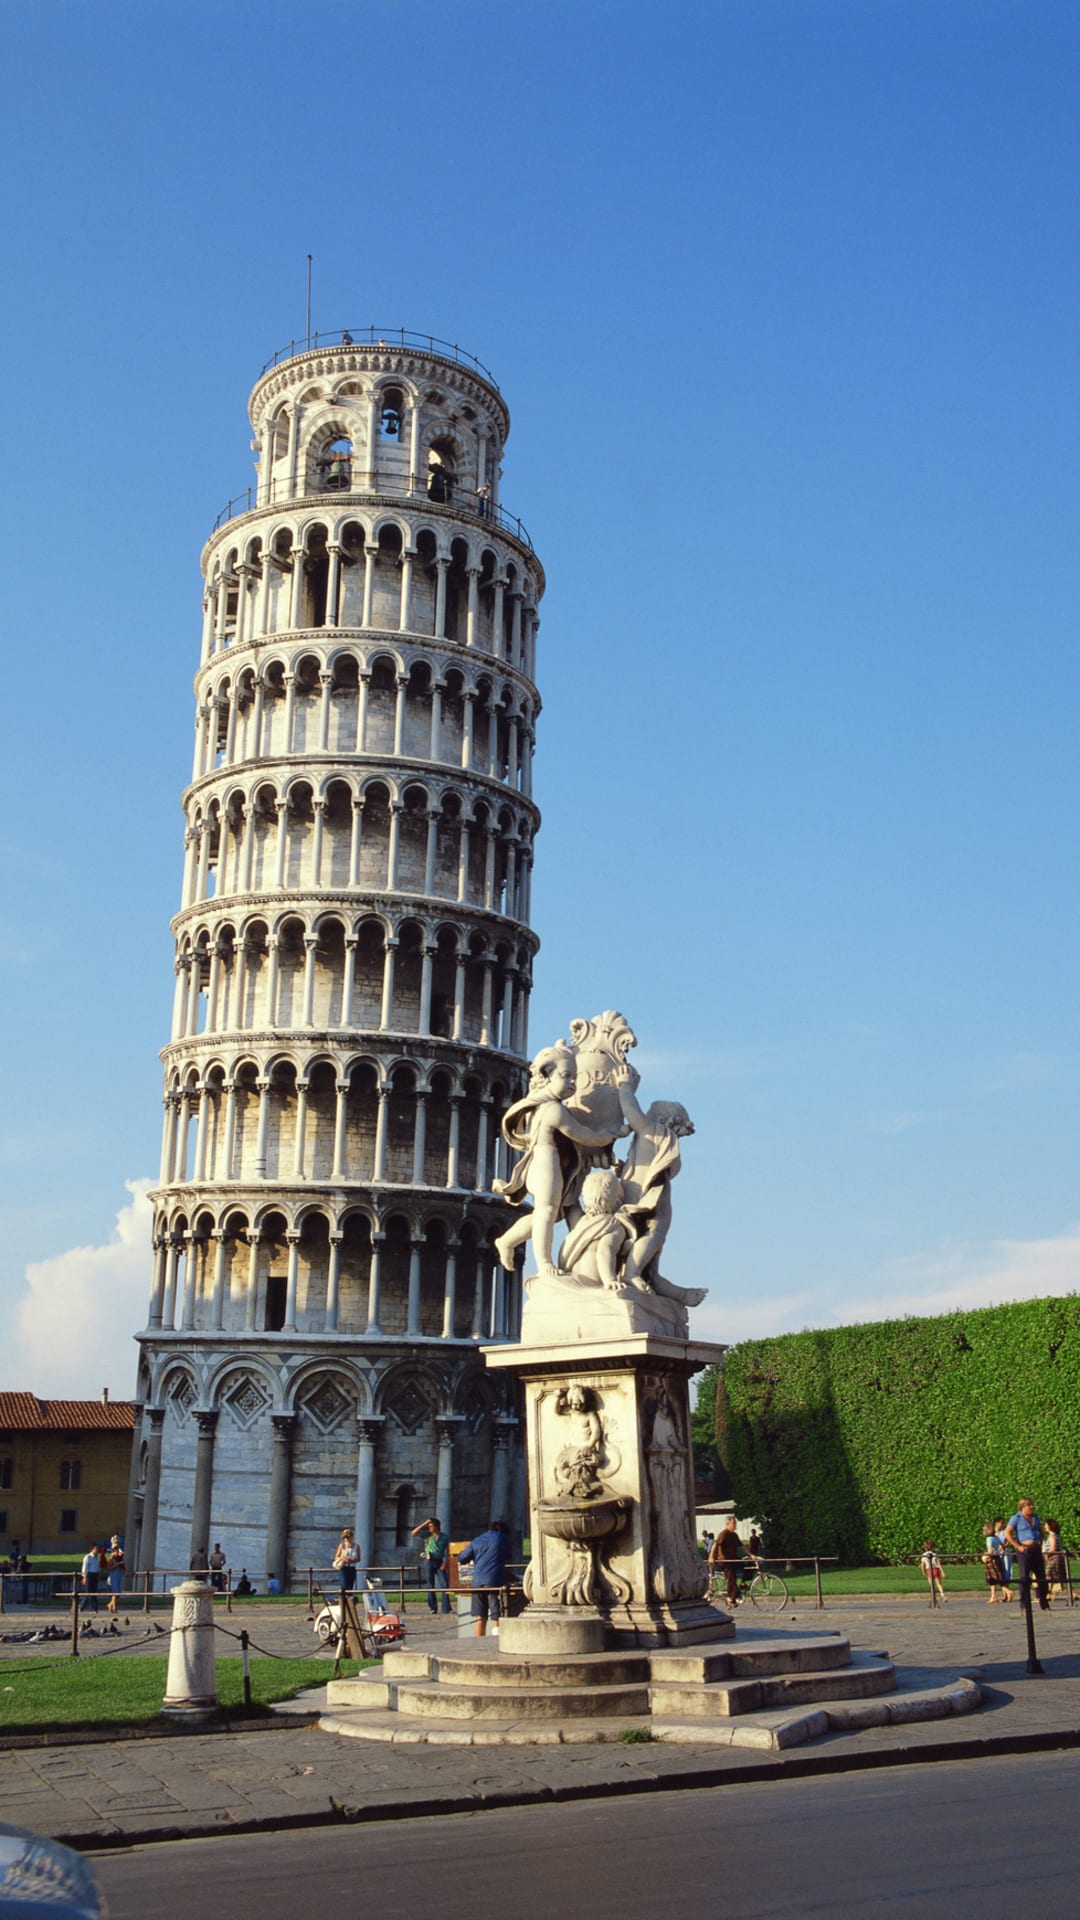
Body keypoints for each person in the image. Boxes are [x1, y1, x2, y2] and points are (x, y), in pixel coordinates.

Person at [494, 1044, 618, 1275]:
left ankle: (508, 1240)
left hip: (548, 1164)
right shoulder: (554, 1110)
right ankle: (544, 1263)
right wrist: (608, 1135)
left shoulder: (539, 1104)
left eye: (575, 1076)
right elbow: (582, 1135)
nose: (572, 1082)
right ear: (546, 1074)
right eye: (565, 1075)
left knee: (556, 1209)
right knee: (547, 1212)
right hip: (545, 1164)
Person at [457, 1520, 511, 1637]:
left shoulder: (477, 1540)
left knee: (480, 1616)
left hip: (477, 1582)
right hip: (495, 1581)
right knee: (497, 1614)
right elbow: (509, 1555)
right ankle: (497, 1640)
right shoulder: (503, 1538)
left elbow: (462, 1558)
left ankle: (478, 1642)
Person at [1005, 1499, 1050, 1611]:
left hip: (1035, 1549)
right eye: (1028, 1505)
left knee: (1041, 1577)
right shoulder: (1016, 1518)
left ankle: (1044, 1603)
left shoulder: (1035, 1517)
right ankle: (1024, 1604)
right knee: (1025, 1577)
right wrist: (1017, 1545)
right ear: (1022, 1507)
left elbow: (1040, 1530)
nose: (1031, 1507)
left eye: (1032, 1505)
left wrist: (1040, 1541)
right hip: (1024, 1550)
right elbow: (1007, 1532)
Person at [411, 1515, 452, 1614]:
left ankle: (446, 1608)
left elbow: (448, 1551)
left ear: (436, 1526)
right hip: (429, 1561)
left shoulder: (444, 1537)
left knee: (444, 1584)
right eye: (429, 1526)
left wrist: (445, 1563)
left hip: (439, 1561)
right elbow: (414, 1532)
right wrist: (425, 1523)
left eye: (431, 1526)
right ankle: (433, 1607)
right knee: (430, 1585)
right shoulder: (427, 1535)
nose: (429, 1528)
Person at [709, 1517, 742, 1605]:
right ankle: (729, 1598)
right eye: (733, 1523)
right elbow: (715, 1544)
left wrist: (752, 1555)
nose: (735, 1525)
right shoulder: (724, 1534)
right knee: (732, 1578)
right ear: (728, 1524)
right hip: (724, 1561)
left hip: (733, 1560)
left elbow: (742, 1546)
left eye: (735, 1523)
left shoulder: (734, 1535)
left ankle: (742, 1583)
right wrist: (711, 1557)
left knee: (747, 1564)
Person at [981, 1521, 1010, 1603]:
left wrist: (984, 1556)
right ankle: (993, 1596)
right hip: (997, 1558)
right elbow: (1001, 1546)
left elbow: (990, 1551)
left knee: (994, 1578)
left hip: (992, 1560)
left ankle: (1008, 1592)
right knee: (992, 1578)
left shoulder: (989, 1539)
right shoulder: (996, 1538)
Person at [1043, 1519, 1067, 1600]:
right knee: (1055, 1576)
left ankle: (1047, 1594)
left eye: (1046, 1525)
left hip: (1054, 1558)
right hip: (1054, 1558)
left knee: (1048, 1575)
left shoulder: (1052, 1536)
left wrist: (1046, 1553)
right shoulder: (1054, 1536)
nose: (1044, 1527)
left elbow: (1053, 1548)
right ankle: (1048, 1594)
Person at [333, 1528, 359, 1593]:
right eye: (345, 1538)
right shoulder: (342, 1546)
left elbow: (358, 1558)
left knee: (350, 1586)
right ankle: (343, 1599)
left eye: (348, 1537)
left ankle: (349, 1600)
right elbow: (336, 1557)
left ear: (351, 1537)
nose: (346, 1539)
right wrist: (342, 1559)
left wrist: (351, 1561)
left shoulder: (356, 1546)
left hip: (352, 1568)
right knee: (344, 1584)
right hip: (343, 1568)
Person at [992, 1516, 1013, 1593]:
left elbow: (1009, 1541)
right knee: (999, 1572)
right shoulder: (992, 1533)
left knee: (1006, 1571)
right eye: (1001, 1523)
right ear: (996, 1523)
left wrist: (1004, 1546)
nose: (1003, 1525)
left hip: (1005, 1553)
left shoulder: (1004, 1532)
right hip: (996, 1554)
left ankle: (1006, 1592)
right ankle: (1005, 1592)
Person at [105, 1535, 125, 1613]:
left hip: (118, 1576)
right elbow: (108, 1568)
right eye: (115, 1551)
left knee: (118, 1593)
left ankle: (110, 1604)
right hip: (113, 1577)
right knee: (115, 1592)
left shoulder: (119, 1558)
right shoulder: (111, 1559)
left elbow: (122, 1554)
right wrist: (116, 1565)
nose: (117, 1552)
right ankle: (114, 1606)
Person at [80, 1543, 101, 1613]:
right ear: (92, 1549)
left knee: (94, 1592)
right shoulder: (88, 1557)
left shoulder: (97, 1557)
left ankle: (94, 1607)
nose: (97, 1550)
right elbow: (85, 1567)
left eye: (97, 1549)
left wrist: (98, 1573)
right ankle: (82, 1606)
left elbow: (97, 1566)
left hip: (95, 1574)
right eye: (96, 1549)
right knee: (88, 1592)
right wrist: (84, 1577)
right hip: (89, 1575)